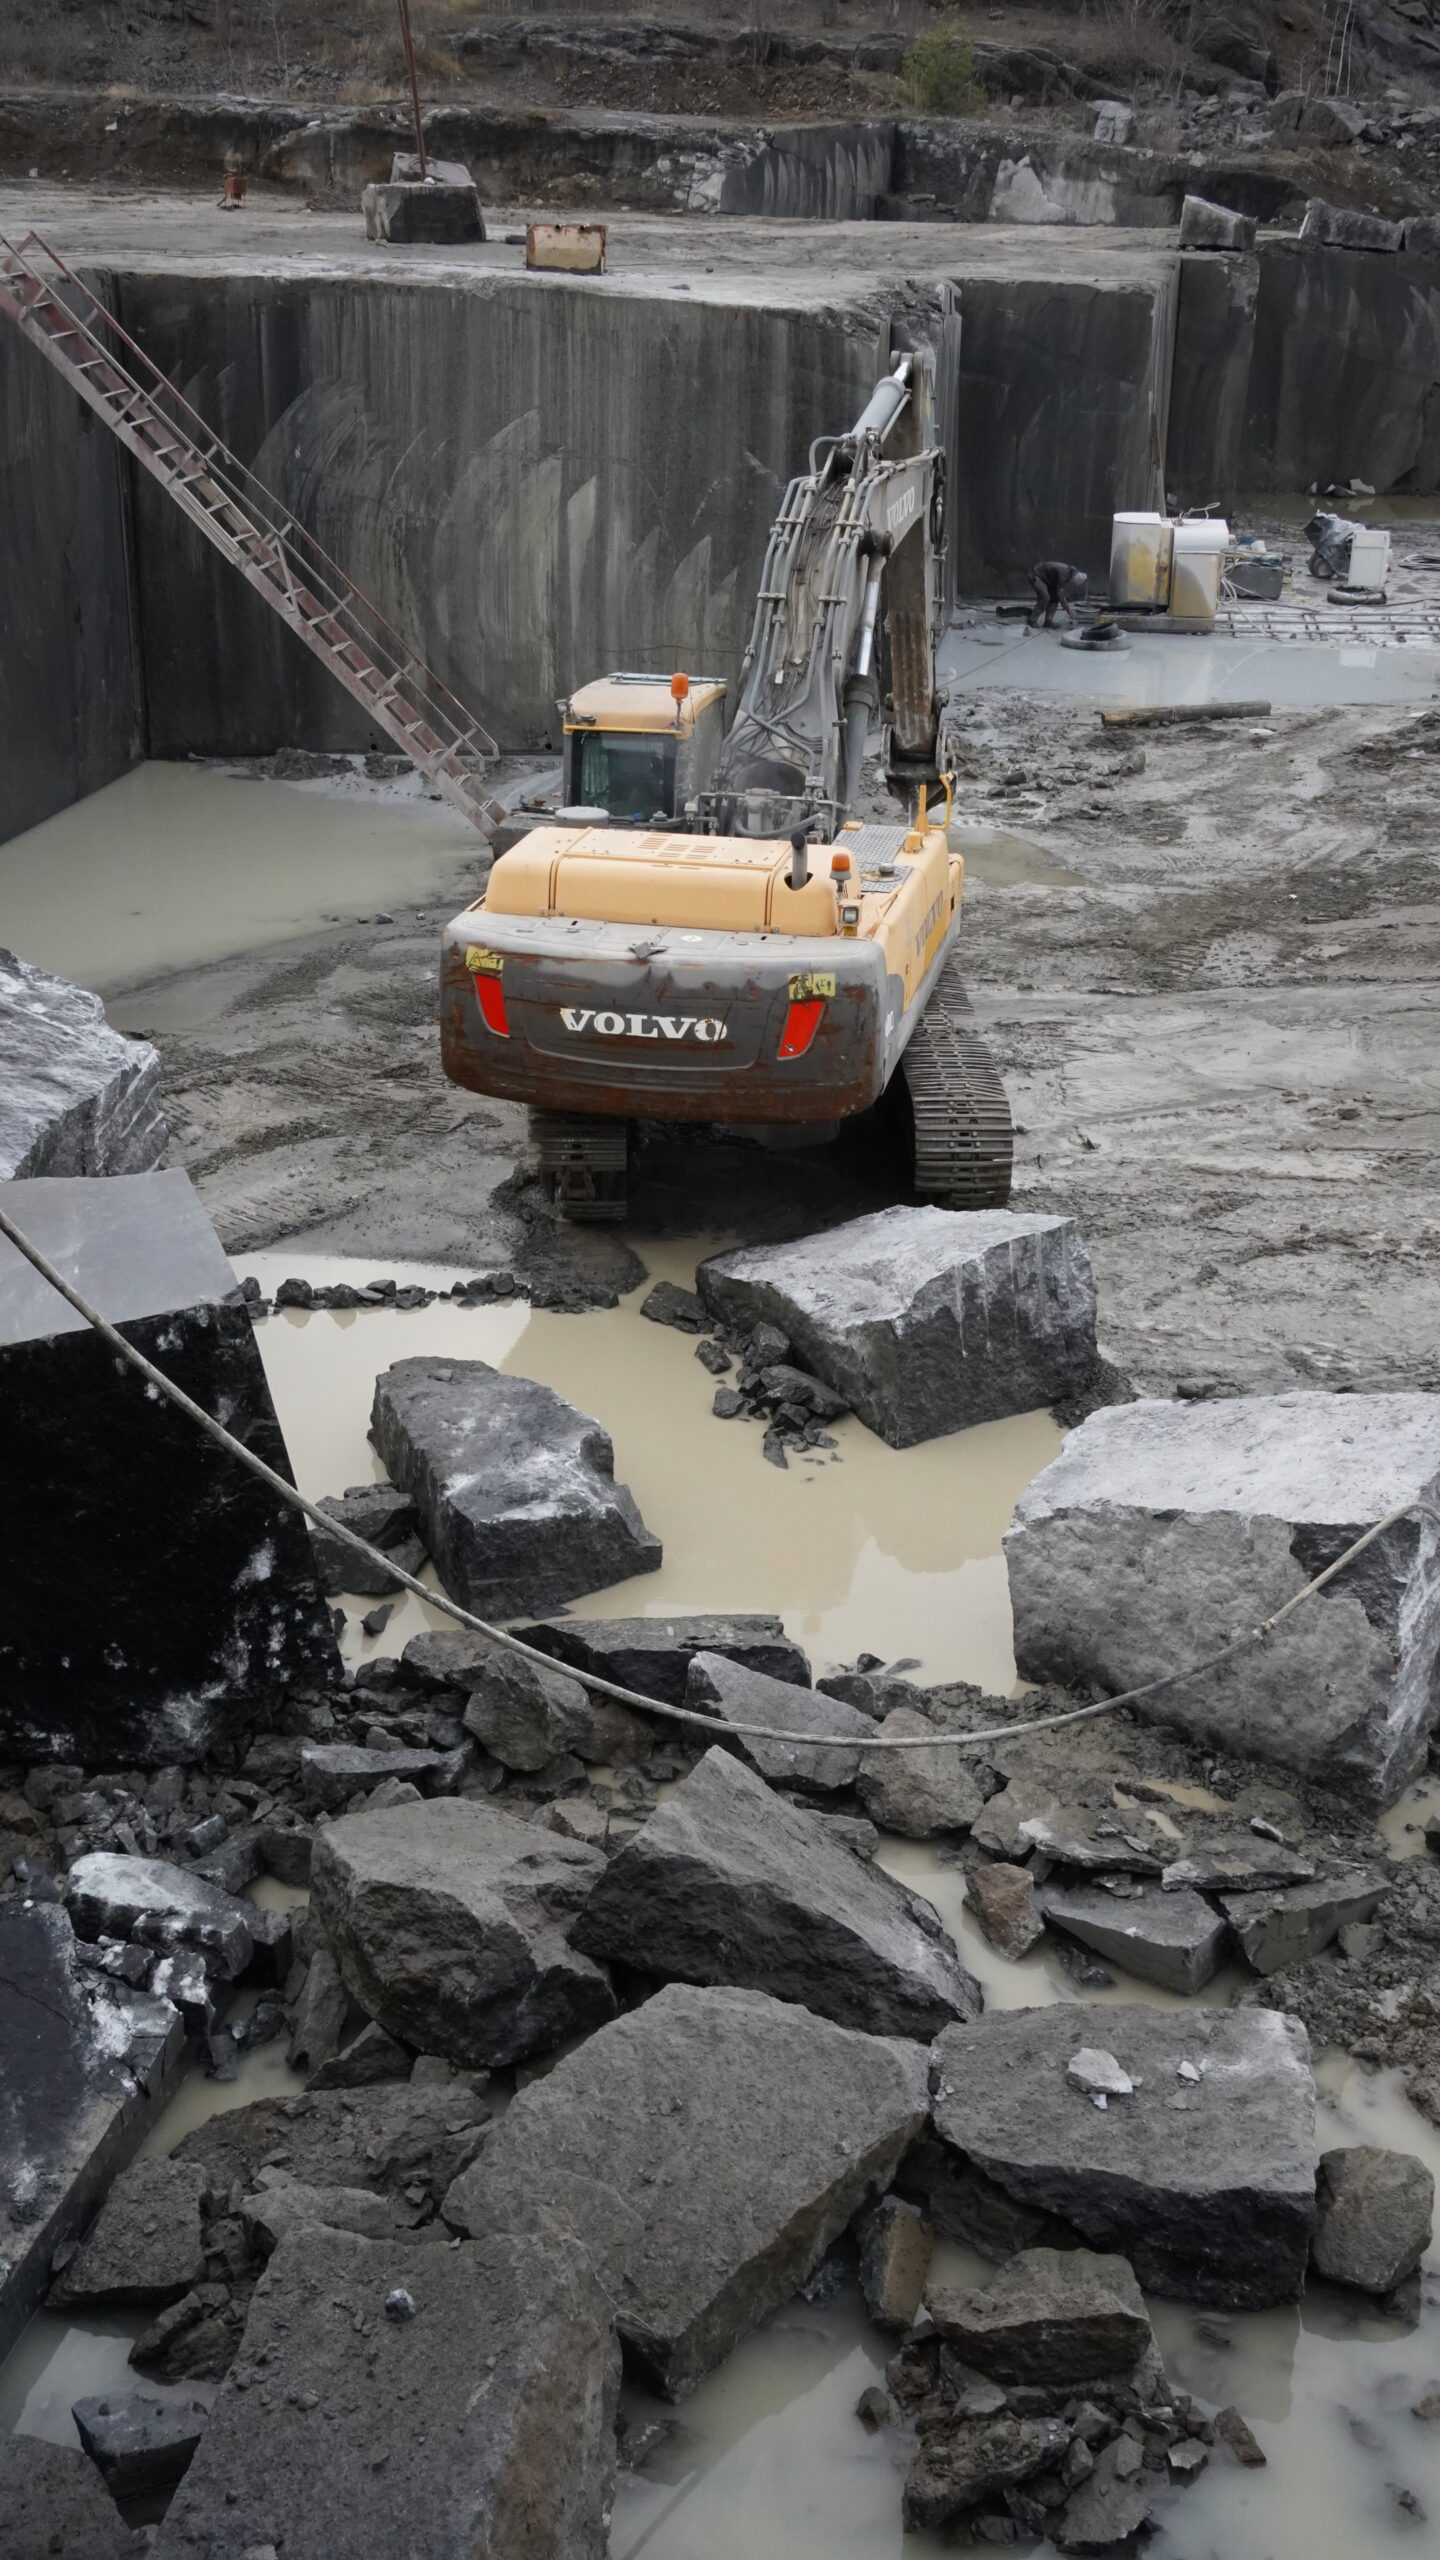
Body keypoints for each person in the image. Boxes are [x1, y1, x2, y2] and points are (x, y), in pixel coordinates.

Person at [1028, 561, 1088, 629]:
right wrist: (1068, 609)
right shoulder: (1064, 573)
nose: (1071, 583)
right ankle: (1032, 621)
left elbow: (1059, 591)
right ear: (1074, 578)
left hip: (1047, 580)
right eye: (1073, 582)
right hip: (1036, 576)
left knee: (1055, 598)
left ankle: (1048, 621)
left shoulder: (1069, 573)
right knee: (1045, 598)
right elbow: (1060, 592)